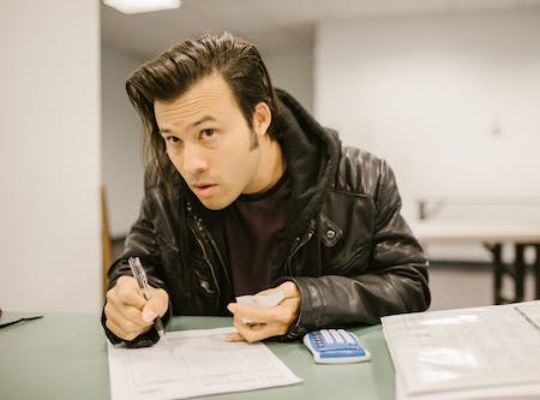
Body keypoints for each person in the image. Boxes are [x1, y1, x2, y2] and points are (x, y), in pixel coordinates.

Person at [102, 31, 430, 347]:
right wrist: (131, 299)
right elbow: (140, 263)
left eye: (208, 133)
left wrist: (312, 302)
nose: (190, 165)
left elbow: (409, 283)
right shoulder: (165, 183)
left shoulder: (362, 178)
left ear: (259, 119)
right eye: (173, 138)